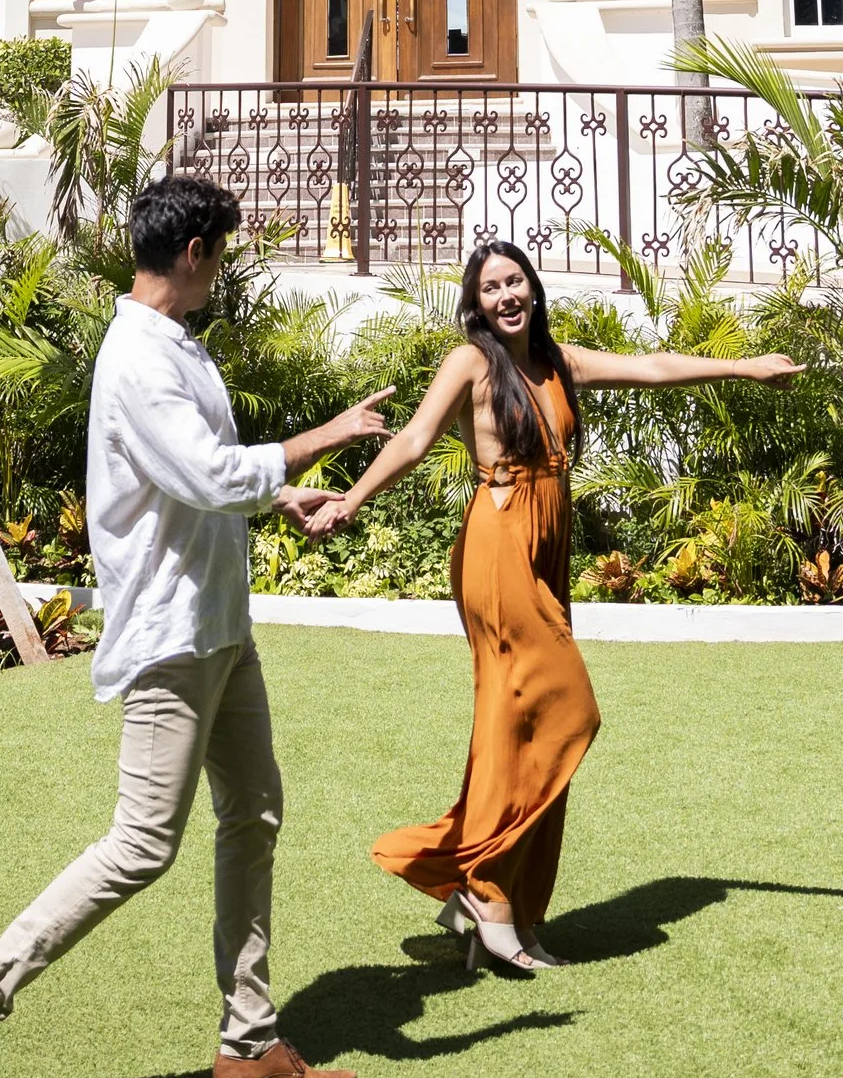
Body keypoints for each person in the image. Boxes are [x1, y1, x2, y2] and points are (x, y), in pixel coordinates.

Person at [0, 169, 387, 1078]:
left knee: (254, 815)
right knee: (142, 844)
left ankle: (248, 1041)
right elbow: (209, 471)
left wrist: (277, 494)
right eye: (223, 252)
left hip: (221, 626)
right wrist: (322, 440)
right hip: (173, 634)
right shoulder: (137, 357)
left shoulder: (176, 345)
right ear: (193, 253)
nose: (225, 270)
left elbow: (200, 480)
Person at [306, 240, 797, 972]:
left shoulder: (558, 360)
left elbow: (654, 369)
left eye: (514, 282)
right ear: (475, 304)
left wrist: (747, 367)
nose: (505, 296)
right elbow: (415, 437)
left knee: (521, 727)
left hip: (546, 543)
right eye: (490, 288)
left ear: (532, 289)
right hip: (498, 542)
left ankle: (508, 907)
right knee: (568, 713)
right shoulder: (470, 363)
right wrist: (351, 498)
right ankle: (482, 889)